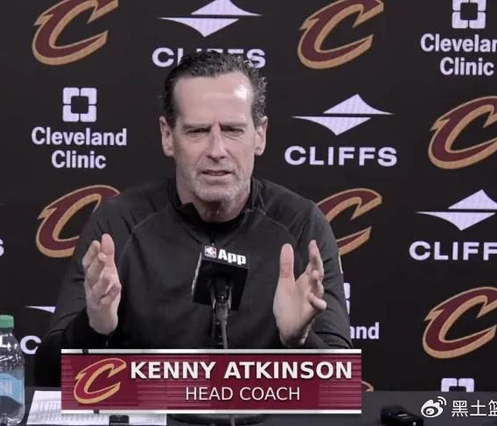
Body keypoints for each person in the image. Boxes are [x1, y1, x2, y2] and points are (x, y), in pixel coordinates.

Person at [35, 51, 352, 386]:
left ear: (260, 135)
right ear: (167, 136)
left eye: (232, 130)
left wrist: (299, 341)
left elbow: (343, 389)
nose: (216, 150)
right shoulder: (119, 225)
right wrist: (93, 328)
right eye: (198, 131)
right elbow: (46, 379)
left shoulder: (301, 224)